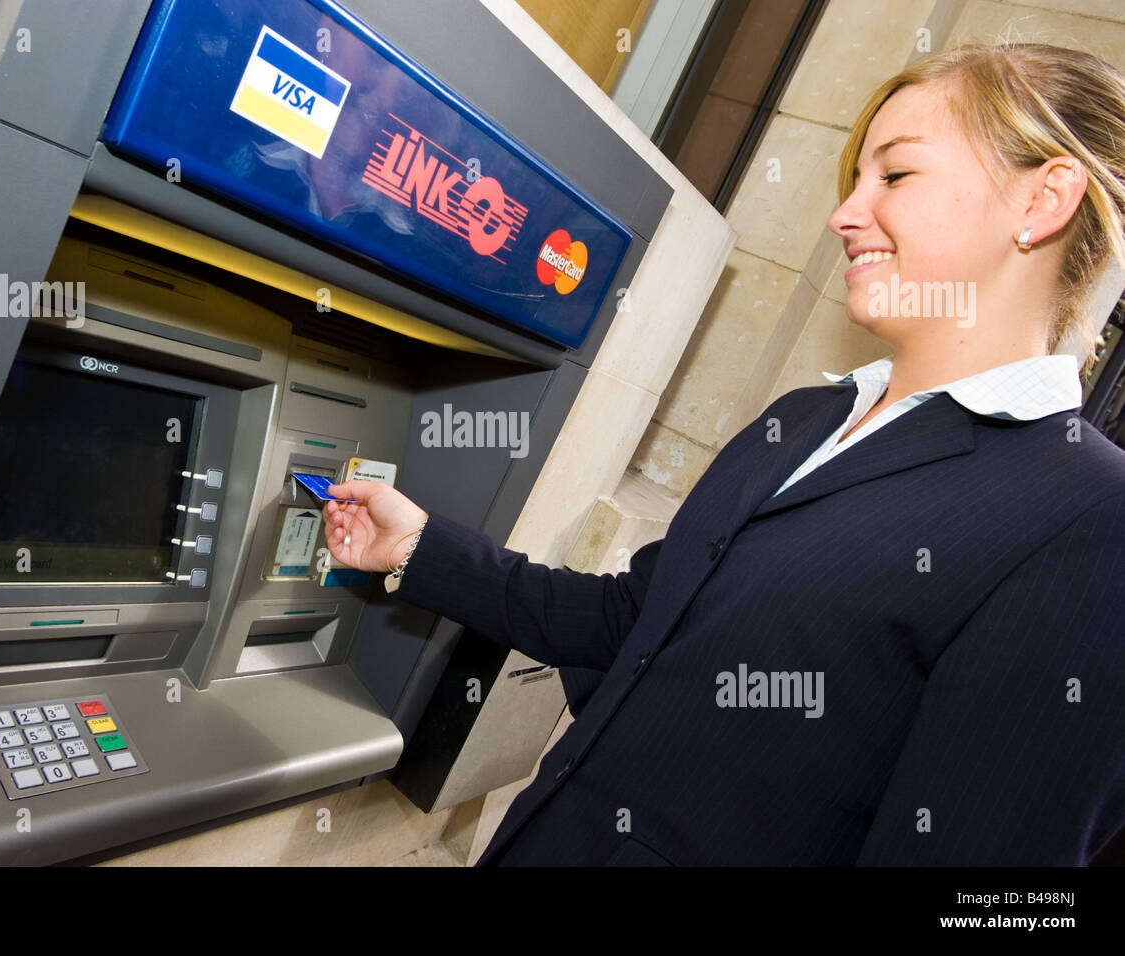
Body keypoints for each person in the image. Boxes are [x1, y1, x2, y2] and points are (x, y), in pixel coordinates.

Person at [323, 42, 1125, 865]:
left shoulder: (1091, 519)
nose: (843, 216)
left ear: (1044, 198)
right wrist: (417, 547)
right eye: (852, 183)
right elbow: (632, 619)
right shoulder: (810, 417)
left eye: (895, 176)